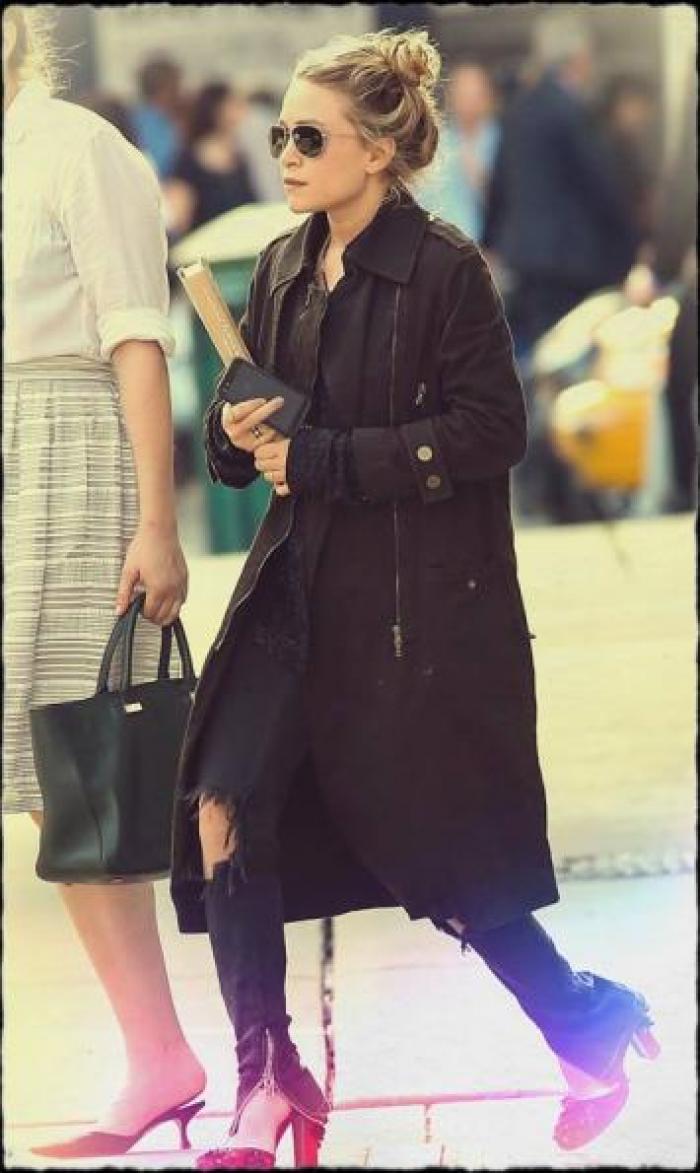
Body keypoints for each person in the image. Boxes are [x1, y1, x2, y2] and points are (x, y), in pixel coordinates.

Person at [167, 26, 660, 1170]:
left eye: (309, 137)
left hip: (408, 612)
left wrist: (328, 459)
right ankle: (264, 1081)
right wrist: (234, 437)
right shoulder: (283, 265)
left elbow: (492, 432)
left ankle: (581, 1019)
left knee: (438, 855)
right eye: (278, 135)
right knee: (223, 804)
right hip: (292, 593)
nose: (285, 156)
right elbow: (253, 442)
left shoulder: (445, 271)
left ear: (379, 151)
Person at [2, 6, 204, 1160]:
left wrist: (157, 523)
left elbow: (138, 337)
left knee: (73, 766)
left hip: (68, 454)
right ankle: (158, 1053)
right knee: (47, 776)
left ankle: (163, 1053)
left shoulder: (81, 150)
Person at [416, 60, 501, 243]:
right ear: (451, 98)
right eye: (463, 96)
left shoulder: (503, 142)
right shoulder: (436, 143)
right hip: (445, 247)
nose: (469, 104)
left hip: (491, 247)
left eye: (475, 96)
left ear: (489, 98)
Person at [164, 81, 258, 239]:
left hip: (240, 240)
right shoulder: (189, 158)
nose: (243, 111)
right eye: (234, 104)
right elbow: (179, 213)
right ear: (217, 110)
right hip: (202, 243)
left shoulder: (240, 157)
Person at [132, 54, 187, 181]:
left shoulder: (168, 119)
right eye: (177, 86)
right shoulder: (150, 125)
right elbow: (161, 165)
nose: (181, 92)